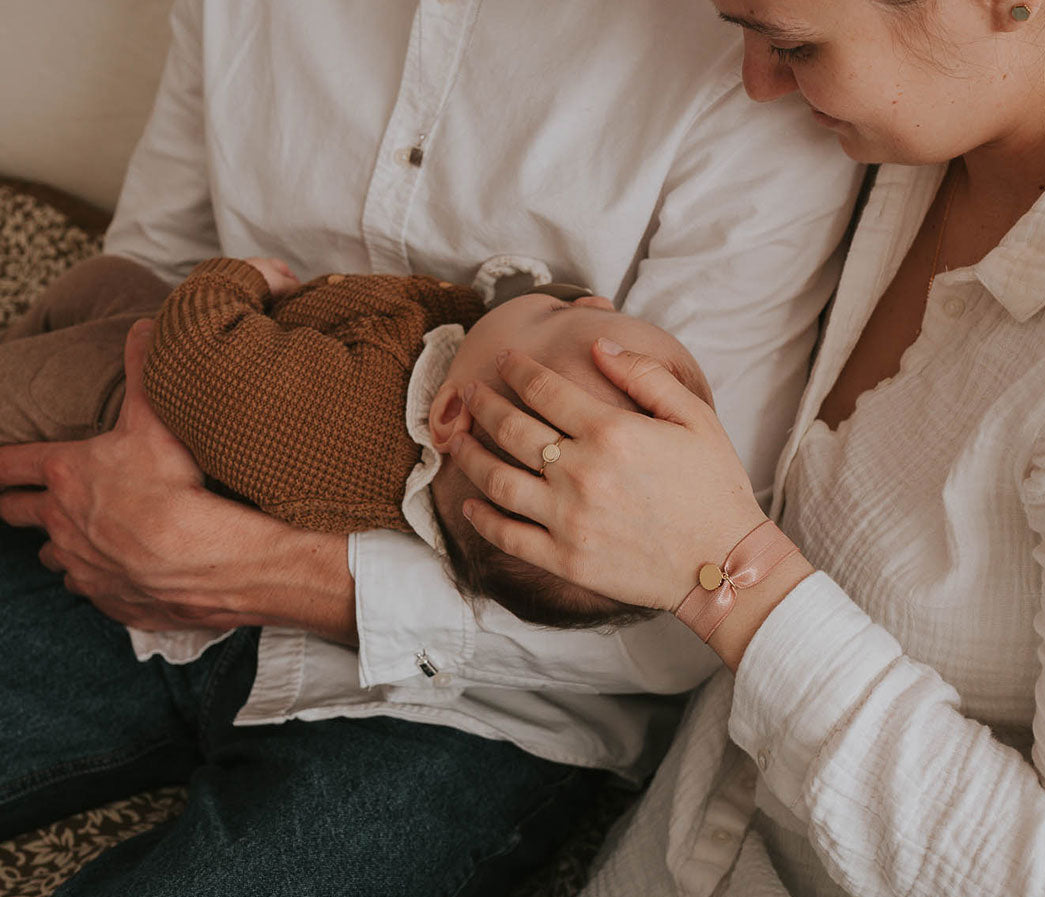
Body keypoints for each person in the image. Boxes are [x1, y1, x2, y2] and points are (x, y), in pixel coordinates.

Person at [0, 0, 860, 897]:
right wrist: (114, 461)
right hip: (158, 522)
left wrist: (248, 566)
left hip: (474, 704)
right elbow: (160, 255)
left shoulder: (749, 16)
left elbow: (680, 609)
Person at [445, 0, 1045, 897]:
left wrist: (737, 581)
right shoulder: (917, 147)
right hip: (693, 893)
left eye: (792, 44)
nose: (757, 86)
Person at [0, 251, 710, 626]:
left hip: (123, 400)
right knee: (103, 279)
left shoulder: (335, 424)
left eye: (558, 319)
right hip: (178, 348)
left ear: (450, 417)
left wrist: (232, 279)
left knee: (23, 385)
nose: (591, 298)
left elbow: (199, 360)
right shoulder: (452, 378)